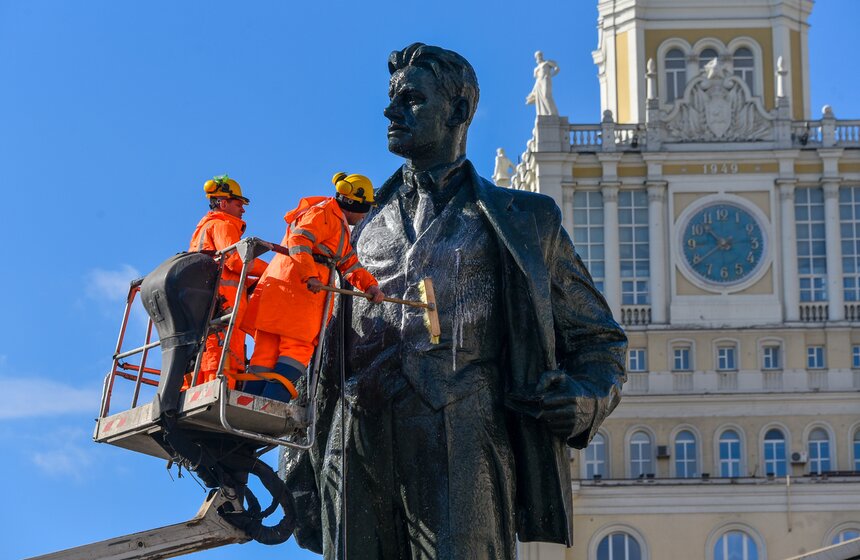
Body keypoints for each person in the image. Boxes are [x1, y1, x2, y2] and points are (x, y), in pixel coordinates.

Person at [282, 43, 627, 560]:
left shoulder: (524, 220)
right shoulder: (353, 223)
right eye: (392, 98)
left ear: (460, 111)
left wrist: (584, 397)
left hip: (465, 438)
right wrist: (291, 450)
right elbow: (312, 342)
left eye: (412, 99)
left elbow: (599, 341)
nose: (391, 111)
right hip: (354, 444)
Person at [242, 172, 385, 402]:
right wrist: (309, 275)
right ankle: (267, 411)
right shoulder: (324, 215)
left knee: (265, 354)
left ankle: (246, 407)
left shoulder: (331, 219)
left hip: (278, 292)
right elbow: (299, 241)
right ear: (354, 203)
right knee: (296, 351)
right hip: (297, 296)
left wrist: (370, 286)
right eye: (366, 208)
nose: (364, 216)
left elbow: (348, 264)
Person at [188, 174, 268, 389]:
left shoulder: (204, 229)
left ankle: (199, 393)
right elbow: (238, 262)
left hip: (211, 306)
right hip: (225, 307)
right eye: (238, 203)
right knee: (224, 358)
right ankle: (220, 393)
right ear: (223, 203)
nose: (243, 209)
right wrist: (272, 270)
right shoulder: (223, 225)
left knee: (206, 358)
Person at [525, 50, 560, 116]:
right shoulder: (536, 69)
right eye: (537, 56)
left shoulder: (547, 62)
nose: (539, 56)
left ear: (542, 55)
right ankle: (544, 113)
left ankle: (553, 113)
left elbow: (557, 68)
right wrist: (533, 91)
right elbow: (537, 80)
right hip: (539, 83)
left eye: (540, 55)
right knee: (540, 99)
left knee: (546, 96)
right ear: (536, 57)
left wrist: (551, 75)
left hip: (545, 80)